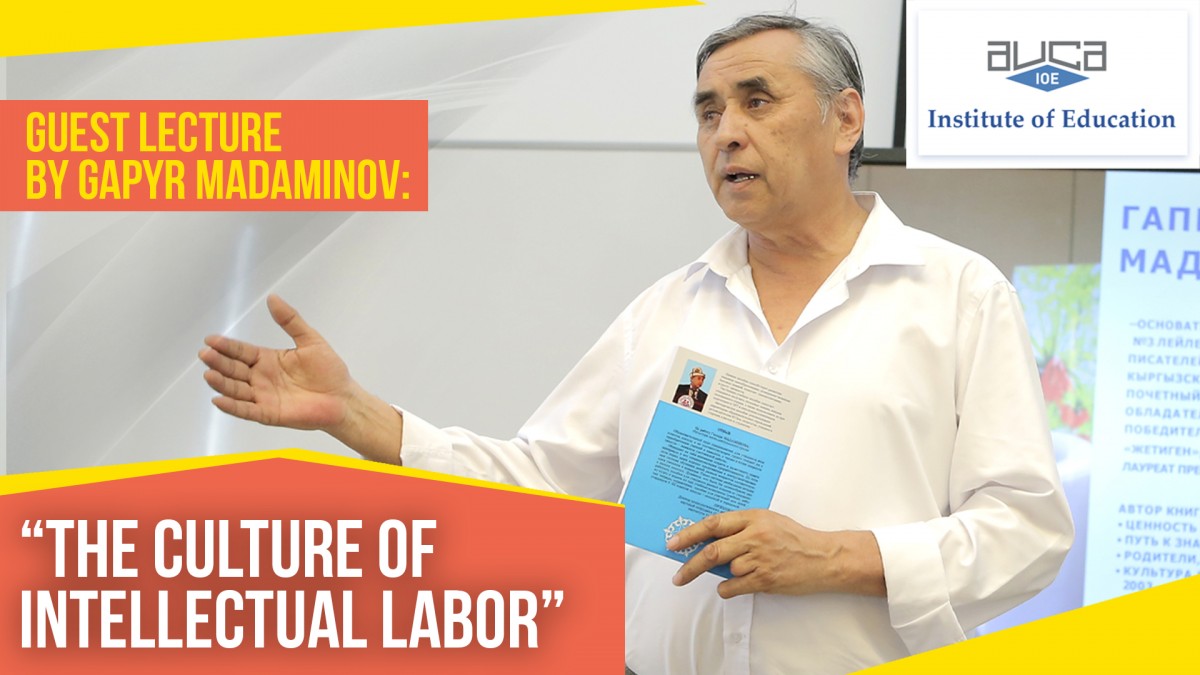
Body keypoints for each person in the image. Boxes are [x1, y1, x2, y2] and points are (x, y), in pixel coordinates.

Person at [200, 14, 1073, 674]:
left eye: (757, 101)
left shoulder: (957, 295)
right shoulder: (666, 309)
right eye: (708, 112)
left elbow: (1027, 531)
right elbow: (546, 482)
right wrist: (354, 413)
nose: (726, 132)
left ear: (846, 119)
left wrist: (838, 556)